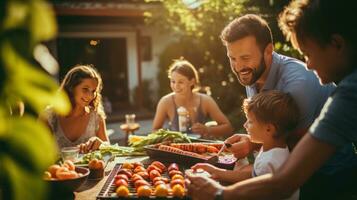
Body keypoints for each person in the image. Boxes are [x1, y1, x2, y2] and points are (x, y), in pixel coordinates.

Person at [186, 0, 357, 199]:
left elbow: (288, 157)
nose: (308, 65)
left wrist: (221, 191)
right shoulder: (252, 74)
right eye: (233, 58)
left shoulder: (306, 86)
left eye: (308, 54)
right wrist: (251, 139)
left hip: (327, 177)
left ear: (268, 51)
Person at [191, 90, 300, 200]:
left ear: (269, 129)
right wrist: (217, 172)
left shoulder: (267, 163)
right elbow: (252, 175)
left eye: (250, 121)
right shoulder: (279, 149)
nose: (245, 125)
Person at [152, 58, 233, 138]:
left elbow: (228, 128)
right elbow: (155, 129)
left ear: (192, 81)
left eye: (181, 82)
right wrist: (169, 136)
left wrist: (208, 130)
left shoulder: (205, 101)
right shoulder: (166, 102)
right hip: (176, 148)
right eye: (173, 81)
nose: (176, 86)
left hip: (201, 147)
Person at [44, 65, 109, 153]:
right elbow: (37, 152)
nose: (90, 96)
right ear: (71, 88)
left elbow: (108, 149)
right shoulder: (49, 116)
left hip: (89, 167)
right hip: (56, 167)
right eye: (85, 89)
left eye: (93, 91)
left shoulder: (96, 116)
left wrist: (101, 144)